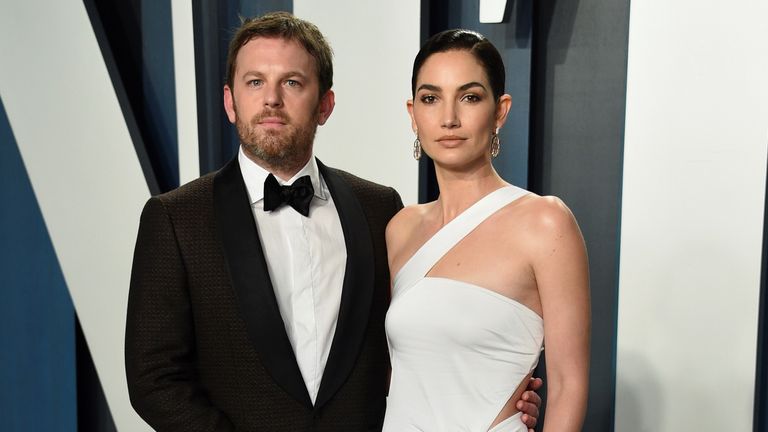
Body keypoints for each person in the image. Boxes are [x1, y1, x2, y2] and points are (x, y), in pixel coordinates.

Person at [125, 13, 542, 431]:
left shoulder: (379, 209)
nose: (271, 99)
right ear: (230, 102)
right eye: (255, 82)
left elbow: (410, 343)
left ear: (325, 104)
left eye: (292, 82)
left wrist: (497, 391)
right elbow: (153, 379)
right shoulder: (176, 219)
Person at [383, 29, 590, 432]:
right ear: (413, 114)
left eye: (470, 97)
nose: (449, 118)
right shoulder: (400, 229)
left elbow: (569, 384)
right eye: (430, 98)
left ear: (500, 110)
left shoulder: (545, 223)